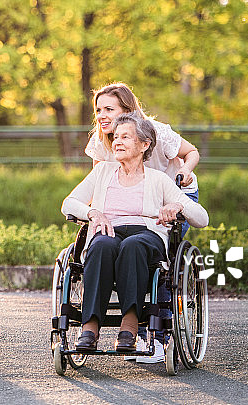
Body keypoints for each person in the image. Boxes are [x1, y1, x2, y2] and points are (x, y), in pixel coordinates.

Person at [61, 113, 208, 356]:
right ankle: (90, 326)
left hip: (146, 235)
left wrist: (179, 206)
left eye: (126, 137)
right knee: (101, 246)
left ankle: (129, 324)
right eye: (116, 137)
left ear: (144, 145)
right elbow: (69, 203)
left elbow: (202, 218)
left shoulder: (159, 179)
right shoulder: (102, 173)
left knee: (133, 245)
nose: (117, 141)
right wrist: (93, 213)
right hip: (108, 230)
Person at [86, 82, 200, 236]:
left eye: (109, 109)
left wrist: (185, 170)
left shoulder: (157, 132)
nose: (101, 116)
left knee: (159, 241)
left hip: (173, 193)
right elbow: (98, 181)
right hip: (136, 195)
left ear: (127, 111)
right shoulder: (100, 139)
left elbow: (192, 152)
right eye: (98, 110)